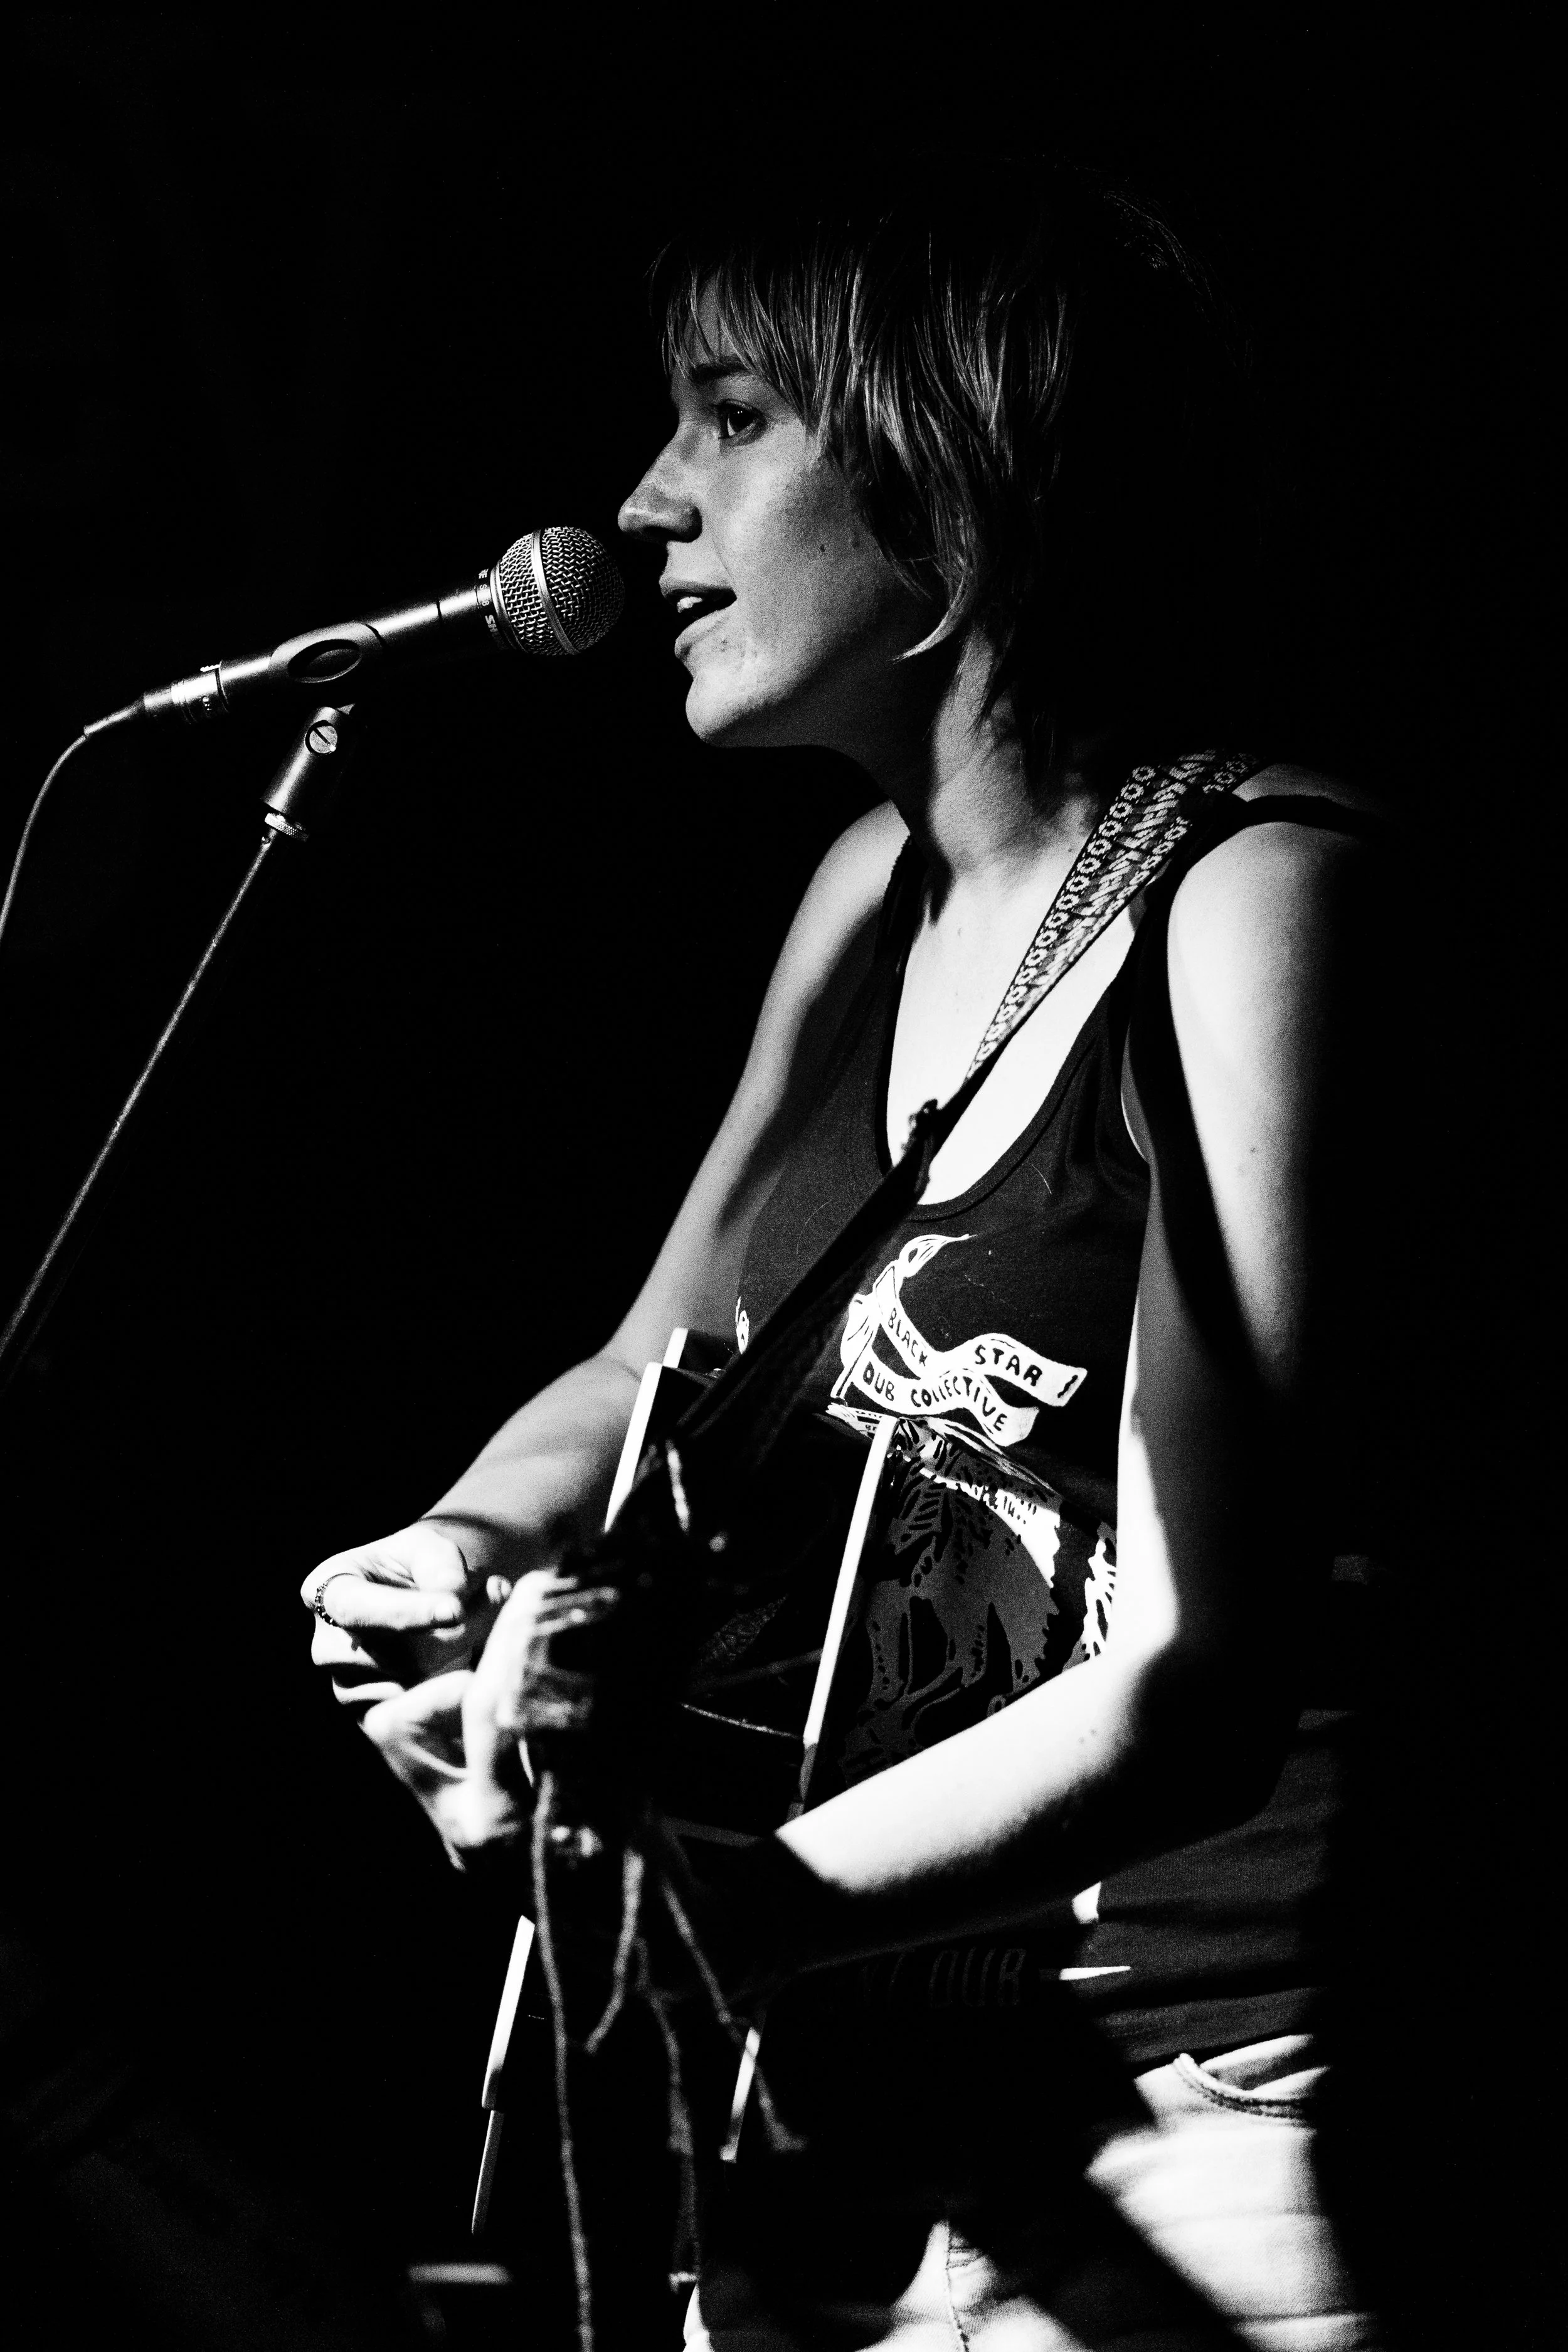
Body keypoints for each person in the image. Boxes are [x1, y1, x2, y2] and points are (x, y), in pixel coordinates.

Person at [302, 160, 1390, 2349]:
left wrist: (730, 1906)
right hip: (891, 2113)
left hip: (1215, 2129)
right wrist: (456, 1541)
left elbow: (1201, 1675)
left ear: (952, 471)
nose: (639, 505)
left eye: (726, 415)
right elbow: (662, 1358)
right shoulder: (865, 898)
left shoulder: (1256, 900)